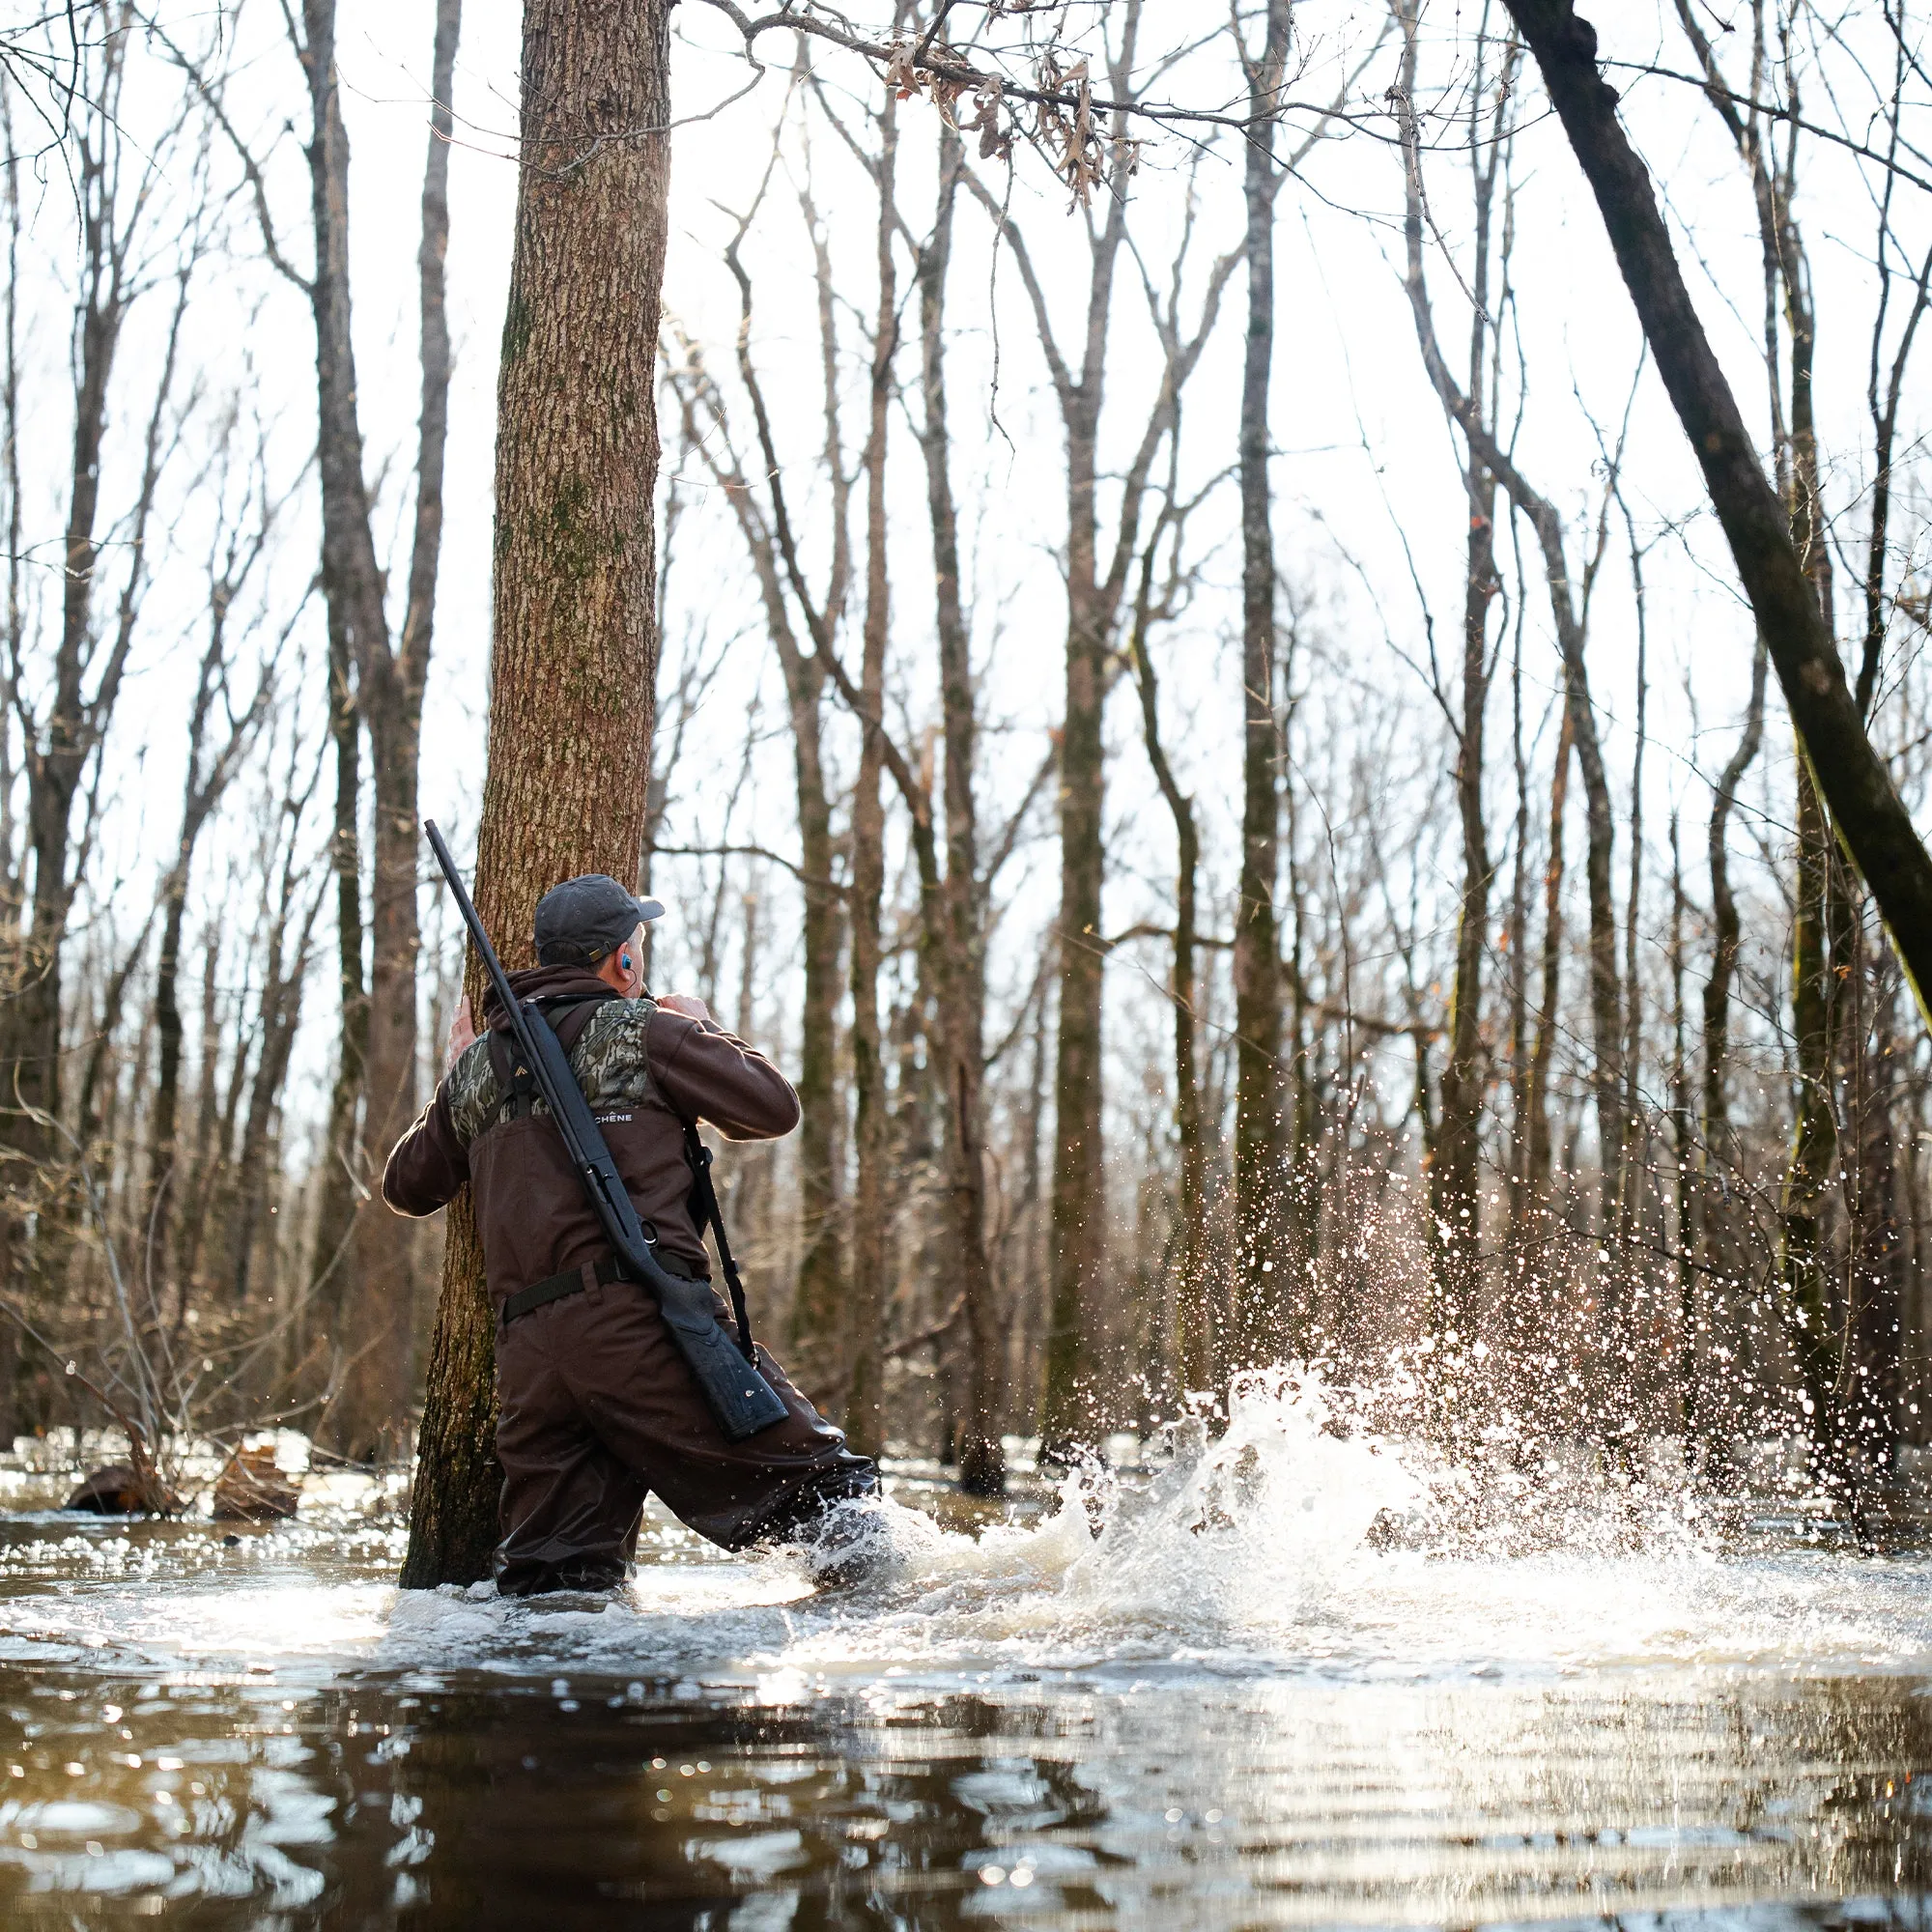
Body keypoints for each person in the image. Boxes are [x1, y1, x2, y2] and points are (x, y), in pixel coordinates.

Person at [384, 872, 877, 1596]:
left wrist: (456, 1076)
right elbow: (772, 1108)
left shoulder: (479, 1069)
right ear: (623, 960)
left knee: (557, 1585)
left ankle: (531, 1702)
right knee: (835, 1510)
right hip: (643, 1332)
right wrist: (702, 1026)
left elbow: (406, 1187)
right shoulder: (644, 1029)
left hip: (531, 1363)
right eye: (636, 945)